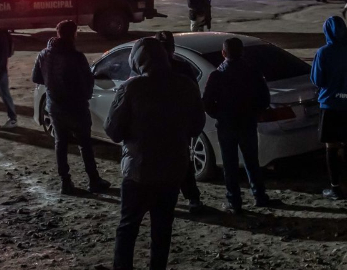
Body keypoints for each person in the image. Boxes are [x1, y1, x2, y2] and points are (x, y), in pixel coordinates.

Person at [106, 38, 205, 270]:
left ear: (137, 60)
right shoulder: (185, 85)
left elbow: (113, 131)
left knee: (128, 226)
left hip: (139, 170)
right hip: (173, 170)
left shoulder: (131, 88)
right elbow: (196, 125)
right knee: (162, 228)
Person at [32, 20, 111, 195]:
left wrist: (52, 84)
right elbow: (87, 80)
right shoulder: (76, 57)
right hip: (76, 107)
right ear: (73, 34)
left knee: (60, 143)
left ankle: (65, 182)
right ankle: (93, 180)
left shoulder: (44, 54)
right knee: (85, 144)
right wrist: (85, 95)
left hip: (55, 106)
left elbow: (36, 78)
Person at [202, 37, 272, 213]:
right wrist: (254, 112)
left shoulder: (217, 75)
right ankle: (259, 195)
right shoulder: (253, 72)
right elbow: (264, 98)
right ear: (242, 52)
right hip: (247, 122)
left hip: (226, 125)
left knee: (229, 164)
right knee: (251, 161)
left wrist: (219, 115)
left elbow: (208, 103)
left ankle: (234, 201)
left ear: (223, 53)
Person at [311, 16, 347, 198]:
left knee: (331, 146)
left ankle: (335, 187)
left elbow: (317, 80)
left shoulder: (323, 52)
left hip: (329, 104)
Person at [156, 31, 206, 214]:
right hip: (178, 126)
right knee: (182, 163)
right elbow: (195, 98)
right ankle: (192, 198)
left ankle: (169, 200)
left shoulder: (147, 70)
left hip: (160, 127)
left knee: (162, 165)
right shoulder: (182, 68)